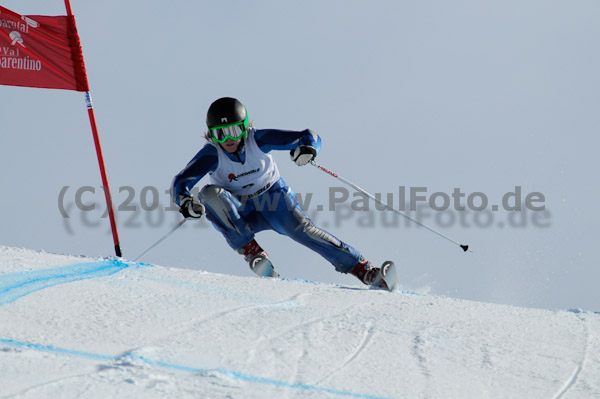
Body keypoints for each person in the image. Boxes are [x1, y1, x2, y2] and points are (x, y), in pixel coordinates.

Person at [170, 97, 391, 289]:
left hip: (274, 201)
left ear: (245, 127)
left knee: (305, 232)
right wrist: (184, 201)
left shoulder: (258, 140)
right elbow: (181, 181)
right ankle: (252, 252)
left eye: (234, 130)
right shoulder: (212, 154)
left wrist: (308, 149)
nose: (228, 139)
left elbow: (308, 136)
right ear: (211, 135)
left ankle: (365, 270)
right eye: (220, 134)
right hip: (240, 210)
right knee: (209, 194)